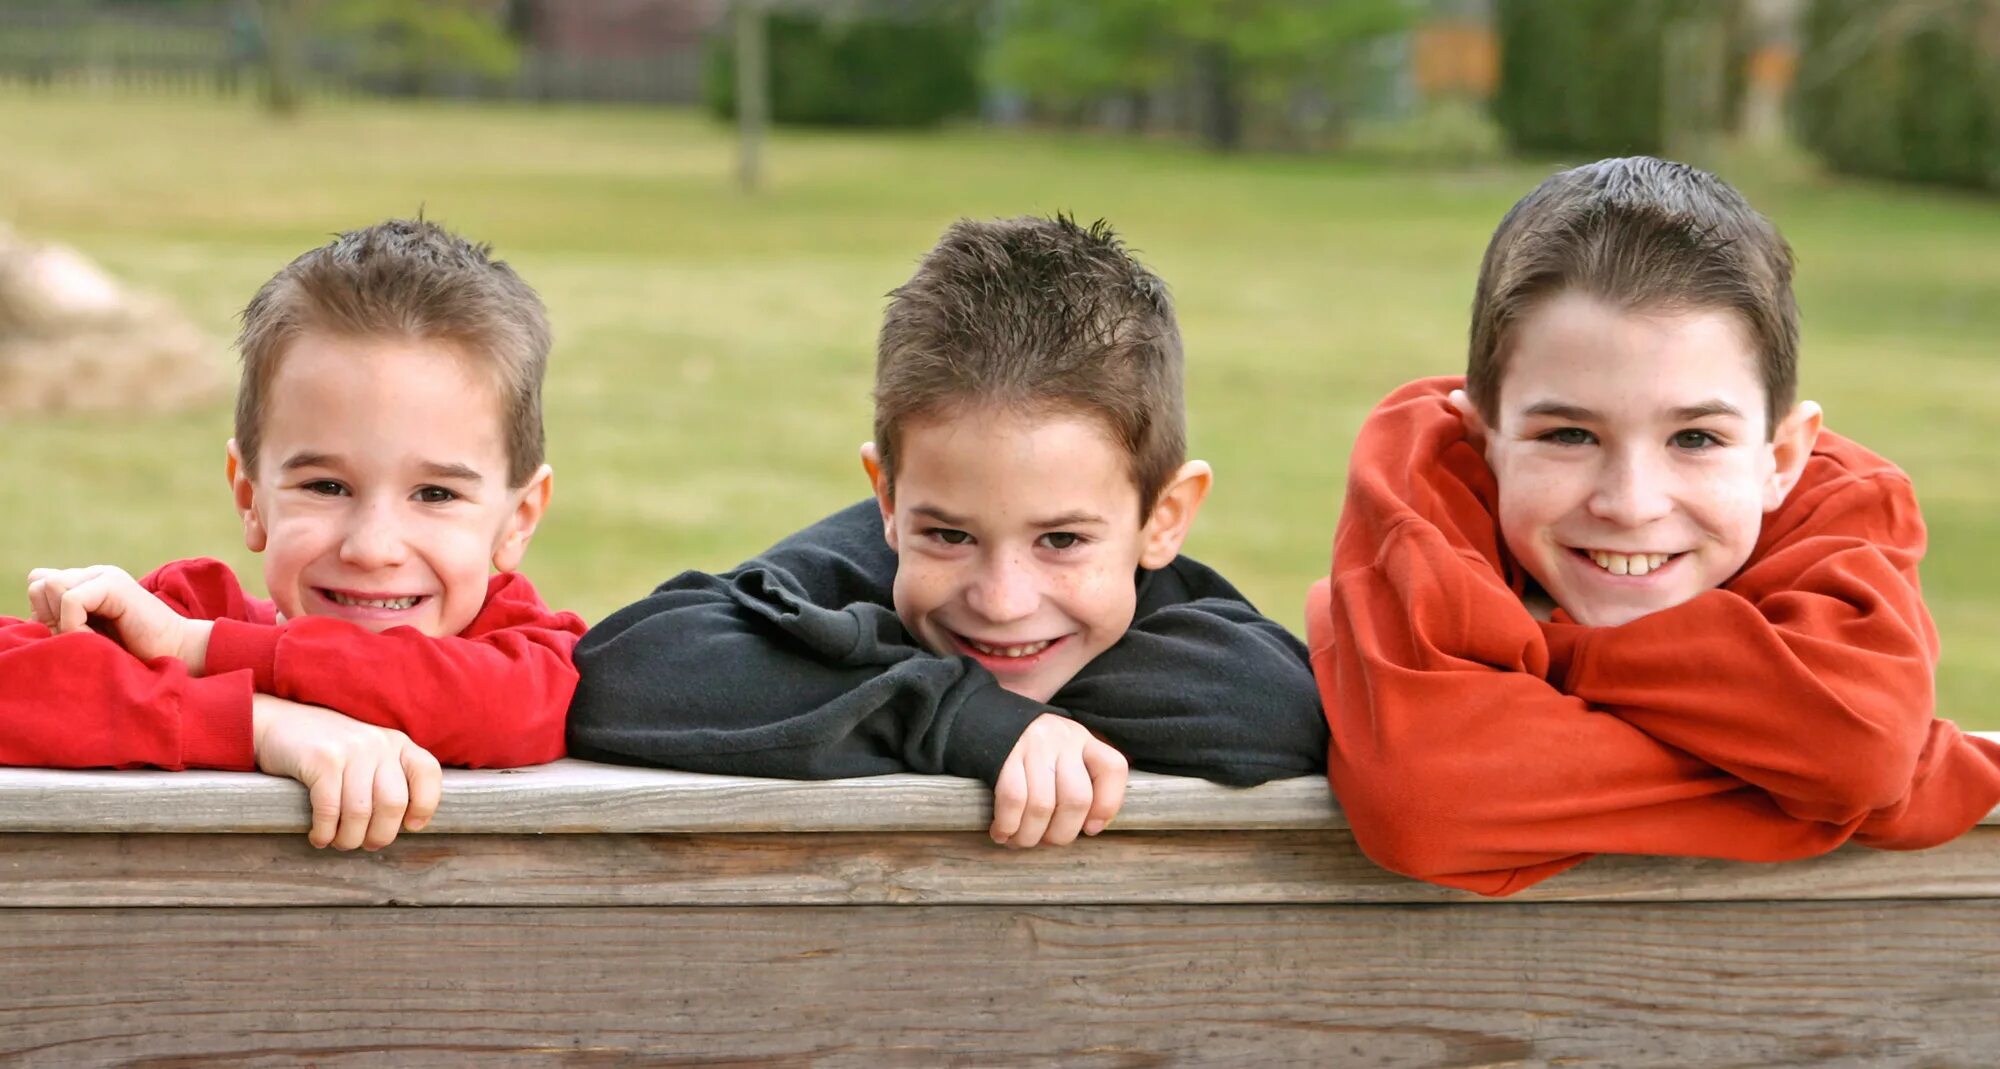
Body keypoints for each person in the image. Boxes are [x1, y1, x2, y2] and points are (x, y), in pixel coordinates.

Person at [1310, 157, 2000, 896]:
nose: (1632, 503)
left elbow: (1856, 745)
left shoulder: (1848, 508)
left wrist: (1556, 654)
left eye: (1695, 438)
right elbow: (1428, 800)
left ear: (1784, 456)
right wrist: (1817, 788)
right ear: (1483, 442)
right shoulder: (1422, 472)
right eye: (1569, 435)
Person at [568, 214, 1327, 848]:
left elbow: (1272, 709)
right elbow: (625, 673)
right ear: (888, 500)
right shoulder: (846, 568)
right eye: (949, 536)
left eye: (1061, 540)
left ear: (1164, 517)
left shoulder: (1189, 628)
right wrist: (966, 719)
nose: (1001, 601)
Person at [2, 218, 586, 851]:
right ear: (250, 496)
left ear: (518, 518)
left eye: (436, 494)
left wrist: (206, 652)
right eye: (326, 487)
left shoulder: (527, 652)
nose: (372, 547)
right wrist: (255, 723)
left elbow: (491, 707)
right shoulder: (188, 609)